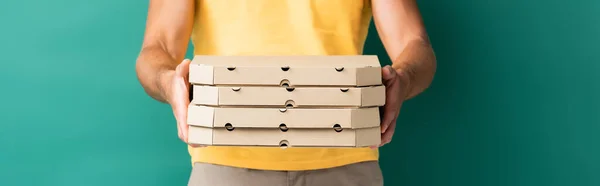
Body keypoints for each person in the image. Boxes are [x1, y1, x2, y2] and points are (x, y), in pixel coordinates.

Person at [135, 0, 436, 185]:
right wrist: (168, 81)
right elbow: (157, 49)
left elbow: (414, 44)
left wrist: (404, 78)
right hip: (225, 166)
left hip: (346, 164)